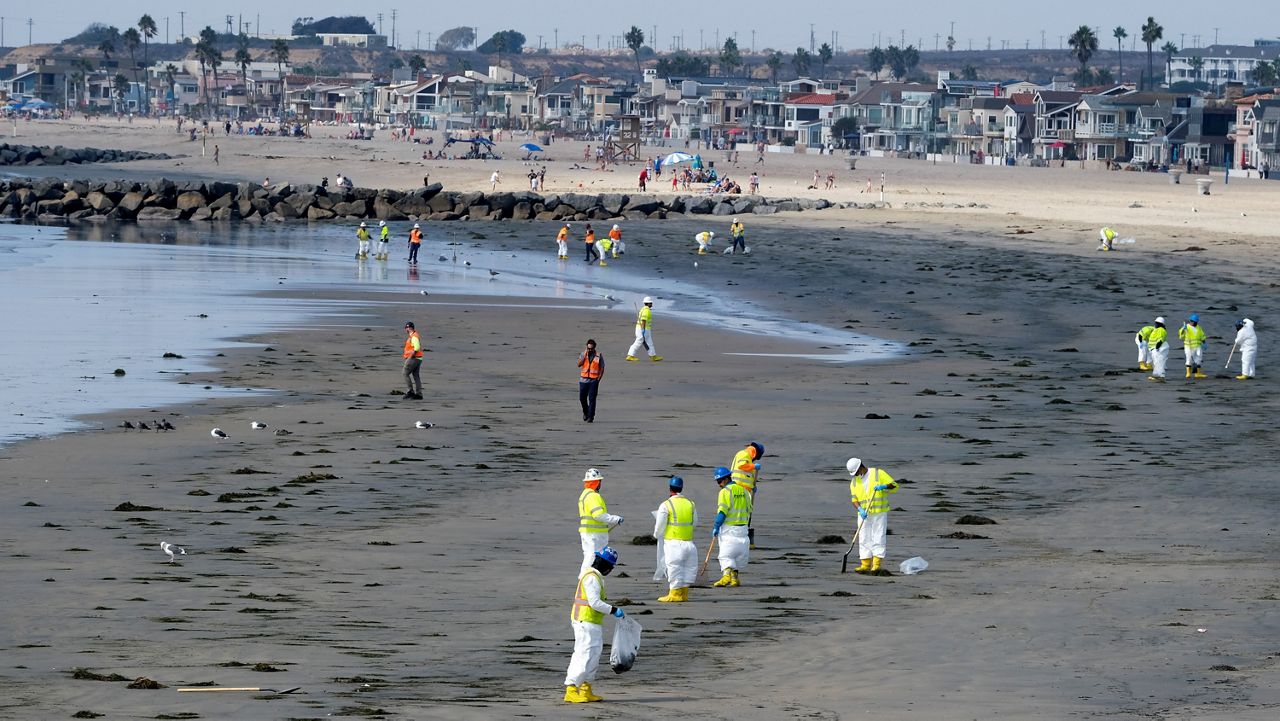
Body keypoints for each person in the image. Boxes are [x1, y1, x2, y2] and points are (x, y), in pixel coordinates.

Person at [564, 546, 625, 704]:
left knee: (594, 655)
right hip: (584, 621)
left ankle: (586, 689)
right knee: (583, 655)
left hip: (593, 622)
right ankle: (571, 689)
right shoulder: (591, 578)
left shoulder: (596, 577)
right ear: (606, 566)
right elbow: (595, 603)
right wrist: (613, 610)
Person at [847, 457, 899, 574]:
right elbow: (854, 499)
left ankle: (876, 564)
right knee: (864, 537)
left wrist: (884, 486)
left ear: (861, 467)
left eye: (856, 472)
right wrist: (860, 509)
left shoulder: (877, 473)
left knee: (878, 536)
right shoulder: (854, 482)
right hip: (864, 514)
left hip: (879, 512)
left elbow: (894, 485)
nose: (856, 475)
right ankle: (865, 564)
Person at [652, 475, 697, 603]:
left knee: (674, 567)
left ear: (670, 488)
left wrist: (656, 534)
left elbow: (660, 525)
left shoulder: (666, 505)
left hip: (673, 544)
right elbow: (695, 523)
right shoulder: (690, 504)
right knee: (688, 568)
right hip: (689, 544)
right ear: (682, 488)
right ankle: (684, 593)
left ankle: (675, 593)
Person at [710, 466, 752, 587]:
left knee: (726, 554)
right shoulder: (744, 491)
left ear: (727, 478)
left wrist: (716, 526)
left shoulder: (725, 492)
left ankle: (726, 576)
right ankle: (734, 578)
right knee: (738, 555)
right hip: (743, 529)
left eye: (720, 481)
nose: (719, 484)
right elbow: (749, 509)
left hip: (729, 529)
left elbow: (722, 511)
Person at [578, 468, 623, 575]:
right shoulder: (593, 496)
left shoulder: (584, 495)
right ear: (597, 482)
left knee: (589, 556)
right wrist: (615, 519)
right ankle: (585, 581)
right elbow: (598, 515)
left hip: (588, 532)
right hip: (594, 534)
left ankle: (583, 581)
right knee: (592, 558)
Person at [730, 442, 764, 547]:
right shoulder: (744, 454)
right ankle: (738, 535)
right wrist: (754, 466)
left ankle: (742, 534)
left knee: (744, 513)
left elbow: (748, 477)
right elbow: (742, 466)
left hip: (745, 490)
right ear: (755, 453)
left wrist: (752, 486)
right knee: (739, 513)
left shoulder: (748, 459)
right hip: (738, 489)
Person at [625, 297, 662, 362]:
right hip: (643, 329)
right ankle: (630, 355)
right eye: (651, 303)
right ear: (649, 303)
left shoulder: (643, 309)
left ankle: (653, 356)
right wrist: (643, 330)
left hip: (644, 329)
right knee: (638, 342)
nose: (652, 304)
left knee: (649, 343)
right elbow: (643, 320)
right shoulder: (646, 310)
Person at [577, 339, 604, 422]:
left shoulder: (599, 356)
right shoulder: (583, 354)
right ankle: (586, 412)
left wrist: (598, 379)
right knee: (582, 398)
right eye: (588, 348)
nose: (590, 350)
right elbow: (579, 364)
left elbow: (602, 368)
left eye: (591, 349)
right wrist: (584, 356)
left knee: (592, 399)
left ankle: (591, 417)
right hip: (583, 380)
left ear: (594, 348)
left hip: (593, 381)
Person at [1179, 314, 1207, 379]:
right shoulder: (1186, 327)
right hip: (1188, 346)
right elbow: (1181, 336)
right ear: (1191, 321)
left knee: (1199, 359)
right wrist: (1183, 329)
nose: (1194, 323)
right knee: (1189, 359)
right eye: (1193, 321)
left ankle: (1198, 373)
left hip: (1198, 346)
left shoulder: (1199, 328)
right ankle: (1188, 373)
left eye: (1195, 322)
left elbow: (1202, 336)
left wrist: (1204, 342)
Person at [401, 321, 424, 400]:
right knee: (416, 376)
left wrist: (411, 356)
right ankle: (419, 394)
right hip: (418, 358)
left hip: (414, 358)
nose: (406, 330)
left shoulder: (414, 336)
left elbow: (416, 347)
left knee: (405, 373)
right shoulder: (413, 336)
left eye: (406, 328)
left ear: (409, 328)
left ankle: (410, 391)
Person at [1147, 316, 1169, 382]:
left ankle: (1161, 376)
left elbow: (1160, 339)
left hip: (1160, 348)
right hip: (1155, 348)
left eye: (1156, 323)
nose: (1155, 324)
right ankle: (1156, 375)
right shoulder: (1157, 329)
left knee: (1159, 362)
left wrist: (1157, 347)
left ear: (1160, 324)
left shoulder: (1161, 330)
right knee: (1156, 362)